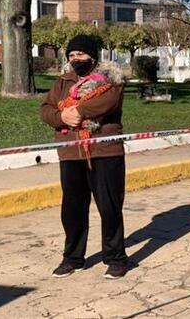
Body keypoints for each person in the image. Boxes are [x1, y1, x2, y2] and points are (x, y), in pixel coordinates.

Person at [40, 34, 129, 279]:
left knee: (109, 207)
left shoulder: (110, 77)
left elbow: (107, 102)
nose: (75, 59)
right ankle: (73, 258)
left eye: (80, 54)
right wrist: (61, 118)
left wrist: (75, 111)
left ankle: (116, 258)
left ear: (92, 55)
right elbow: (46, 109)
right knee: (72, 209)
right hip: (71, 153)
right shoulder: (62, 82)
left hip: (104, 151)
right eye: (71, 55)